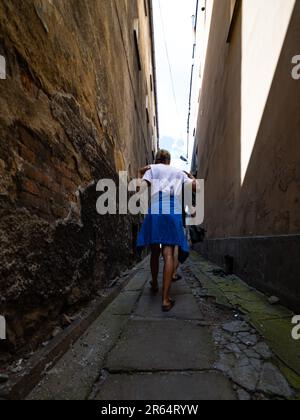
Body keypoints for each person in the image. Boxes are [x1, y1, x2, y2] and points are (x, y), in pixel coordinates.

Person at [137, 150, 196, 312]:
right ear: (169, 160)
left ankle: (155, 283)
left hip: (155, 209)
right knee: (168, 254)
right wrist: (190, 175)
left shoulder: (152, 169)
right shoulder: (179, 172)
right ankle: (165, 299)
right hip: (172, 210)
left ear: (157, 159)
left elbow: (139, 189)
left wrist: (140, 173)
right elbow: (196, 187)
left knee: (155, 251)